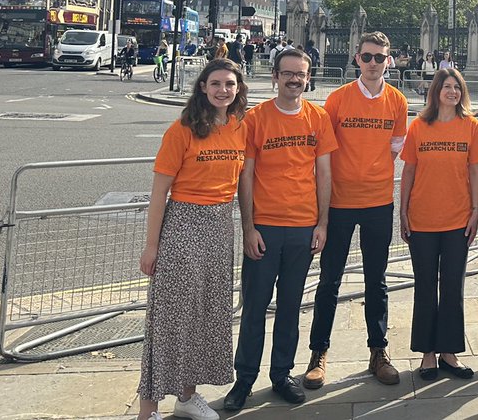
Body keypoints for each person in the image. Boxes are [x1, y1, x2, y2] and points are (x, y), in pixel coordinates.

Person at [135, 59, 248, 420]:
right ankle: (148, 408)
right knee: (170, 317)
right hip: (183, 224)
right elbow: (159, 195)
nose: (222, 90)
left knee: (207, 314)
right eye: (215, 83)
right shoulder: (181, 130)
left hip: (220, 225)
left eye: (229, 84)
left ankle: (187, 395)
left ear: (237, 89)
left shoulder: (238, 127)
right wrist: (151, 246)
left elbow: (243, 184)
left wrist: (248, 229)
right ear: (202, 87)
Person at [226, 49, 335, 409]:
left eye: (300, 74)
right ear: (275, 76)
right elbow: (246, 176)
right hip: (266, 228)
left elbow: (324, 173)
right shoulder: (256, 119)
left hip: (303, 228)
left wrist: (322, 223)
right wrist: (249, 227)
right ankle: (244, 378)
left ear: (308, 77)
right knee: (255, 306)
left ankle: (281, 374)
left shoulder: (317, 117)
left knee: (290, 306)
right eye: (287, 73)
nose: (294, 79)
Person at [304, 32, 407, 389]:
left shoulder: (397, 100)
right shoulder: (336, 100)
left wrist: (373, 171)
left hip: (379, 201)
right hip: (340, 203)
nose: (374, 63)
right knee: (329, 280)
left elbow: (395, 147)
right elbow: (325, 155)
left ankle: (378, 351)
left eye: (380, 57)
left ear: (388, 60)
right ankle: (318, 354)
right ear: (356, 59)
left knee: (376, 281)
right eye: (367, 57)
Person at [400, 68, 478, 380]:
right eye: (446, 87)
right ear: (435, 91)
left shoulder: (471, 126)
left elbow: (475, 171)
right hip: (422, 218)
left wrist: (476, 210)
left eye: (456, 87)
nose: (451, 92)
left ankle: (449, 352)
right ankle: (427, 353)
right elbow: (408, 171)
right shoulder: (419, 126)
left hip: (457, 219)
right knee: (425, 286)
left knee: (453, 287)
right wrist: (403, 212)